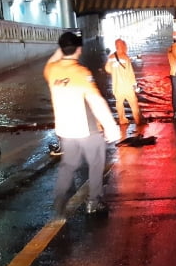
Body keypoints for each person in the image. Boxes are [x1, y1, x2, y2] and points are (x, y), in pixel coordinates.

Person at [44, 31, 121, 216]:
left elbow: (50, 61)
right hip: (87, 129)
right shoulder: (81, 72)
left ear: (61, 49)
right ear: (79, 49)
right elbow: (96, 101)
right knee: (96, 163)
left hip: (65, 130)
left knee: (68, 165)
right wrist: (111, 127)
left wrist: (61, 48)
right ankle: (94, 202)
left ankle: (59, 200)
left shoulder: (51, 70)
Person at [105, 38, 143, 125]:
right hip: (128, 87)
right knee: (134, 104)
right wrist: (136, 87)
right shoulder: (126, 57)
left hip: (117, 87)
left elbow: (107, 69)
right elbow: (131, 75)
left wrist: (115, 71)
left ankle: (122, 120)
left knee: (119, 103)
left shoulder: (111, 57)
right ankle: (138, 121)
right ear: (123, 46)